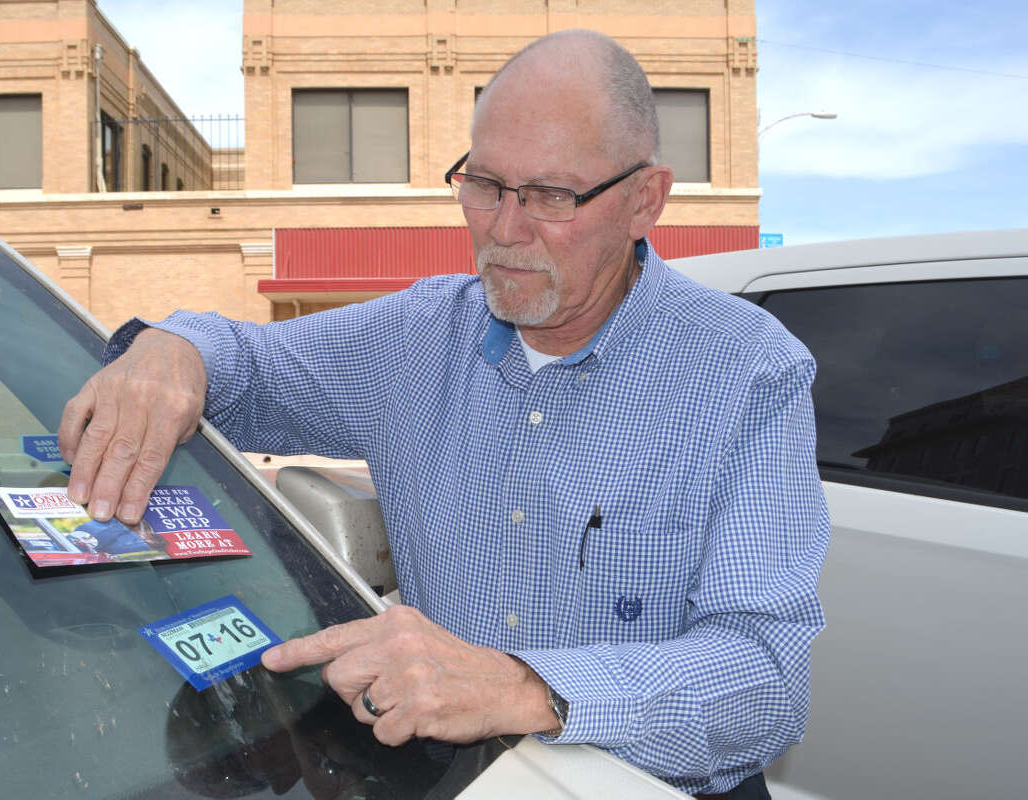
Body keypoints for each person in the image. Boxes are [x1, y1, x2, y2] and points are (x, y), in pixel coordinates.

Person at [59, 29, 828, 798]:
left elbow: (764, 675)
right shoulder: (414, 342)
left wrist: (524, 688)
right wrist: (174, 351)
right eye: (485, 184)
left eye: (552, 196)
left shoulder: (747, 372)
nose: (504, 227)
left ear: (643, 201)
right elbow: (250, 371)